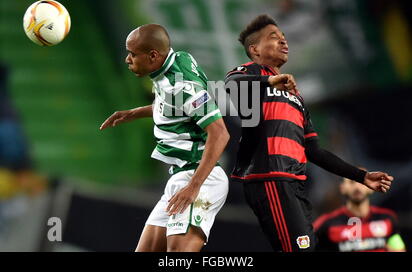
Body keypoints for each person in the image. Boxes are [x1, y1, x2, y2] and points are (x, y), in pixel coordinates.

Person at [224, 14, 394, 252]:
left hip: (295, 183)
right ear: (255, 49)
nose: (284, 42)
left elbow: (314, 151)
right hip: (270, 178)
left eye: (284, 38)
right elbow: (232, 84)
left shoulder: (296, 97)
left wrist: (360, 176)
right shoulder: (250, 74)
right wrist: (271, 81)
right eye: (274, 38)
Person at [100, 24, 229, 252]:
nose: (127, 59)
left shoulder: (181, 87)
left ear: (153, 55)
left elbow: (220, 133)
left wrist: (193, 187)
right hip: (179, 178)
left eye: (132, 54)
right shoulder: (178, 60)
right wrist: (134, 112)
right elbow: (174, 105)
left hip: (200, 179)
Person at [313, 168, 406, 252]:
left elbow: (398, 249)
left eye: (362, 182)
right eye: (352, 182)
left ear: (372, 188)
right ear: (342, 188)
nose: (357, 187)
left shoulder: (387, 218)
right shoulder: (326, 223)